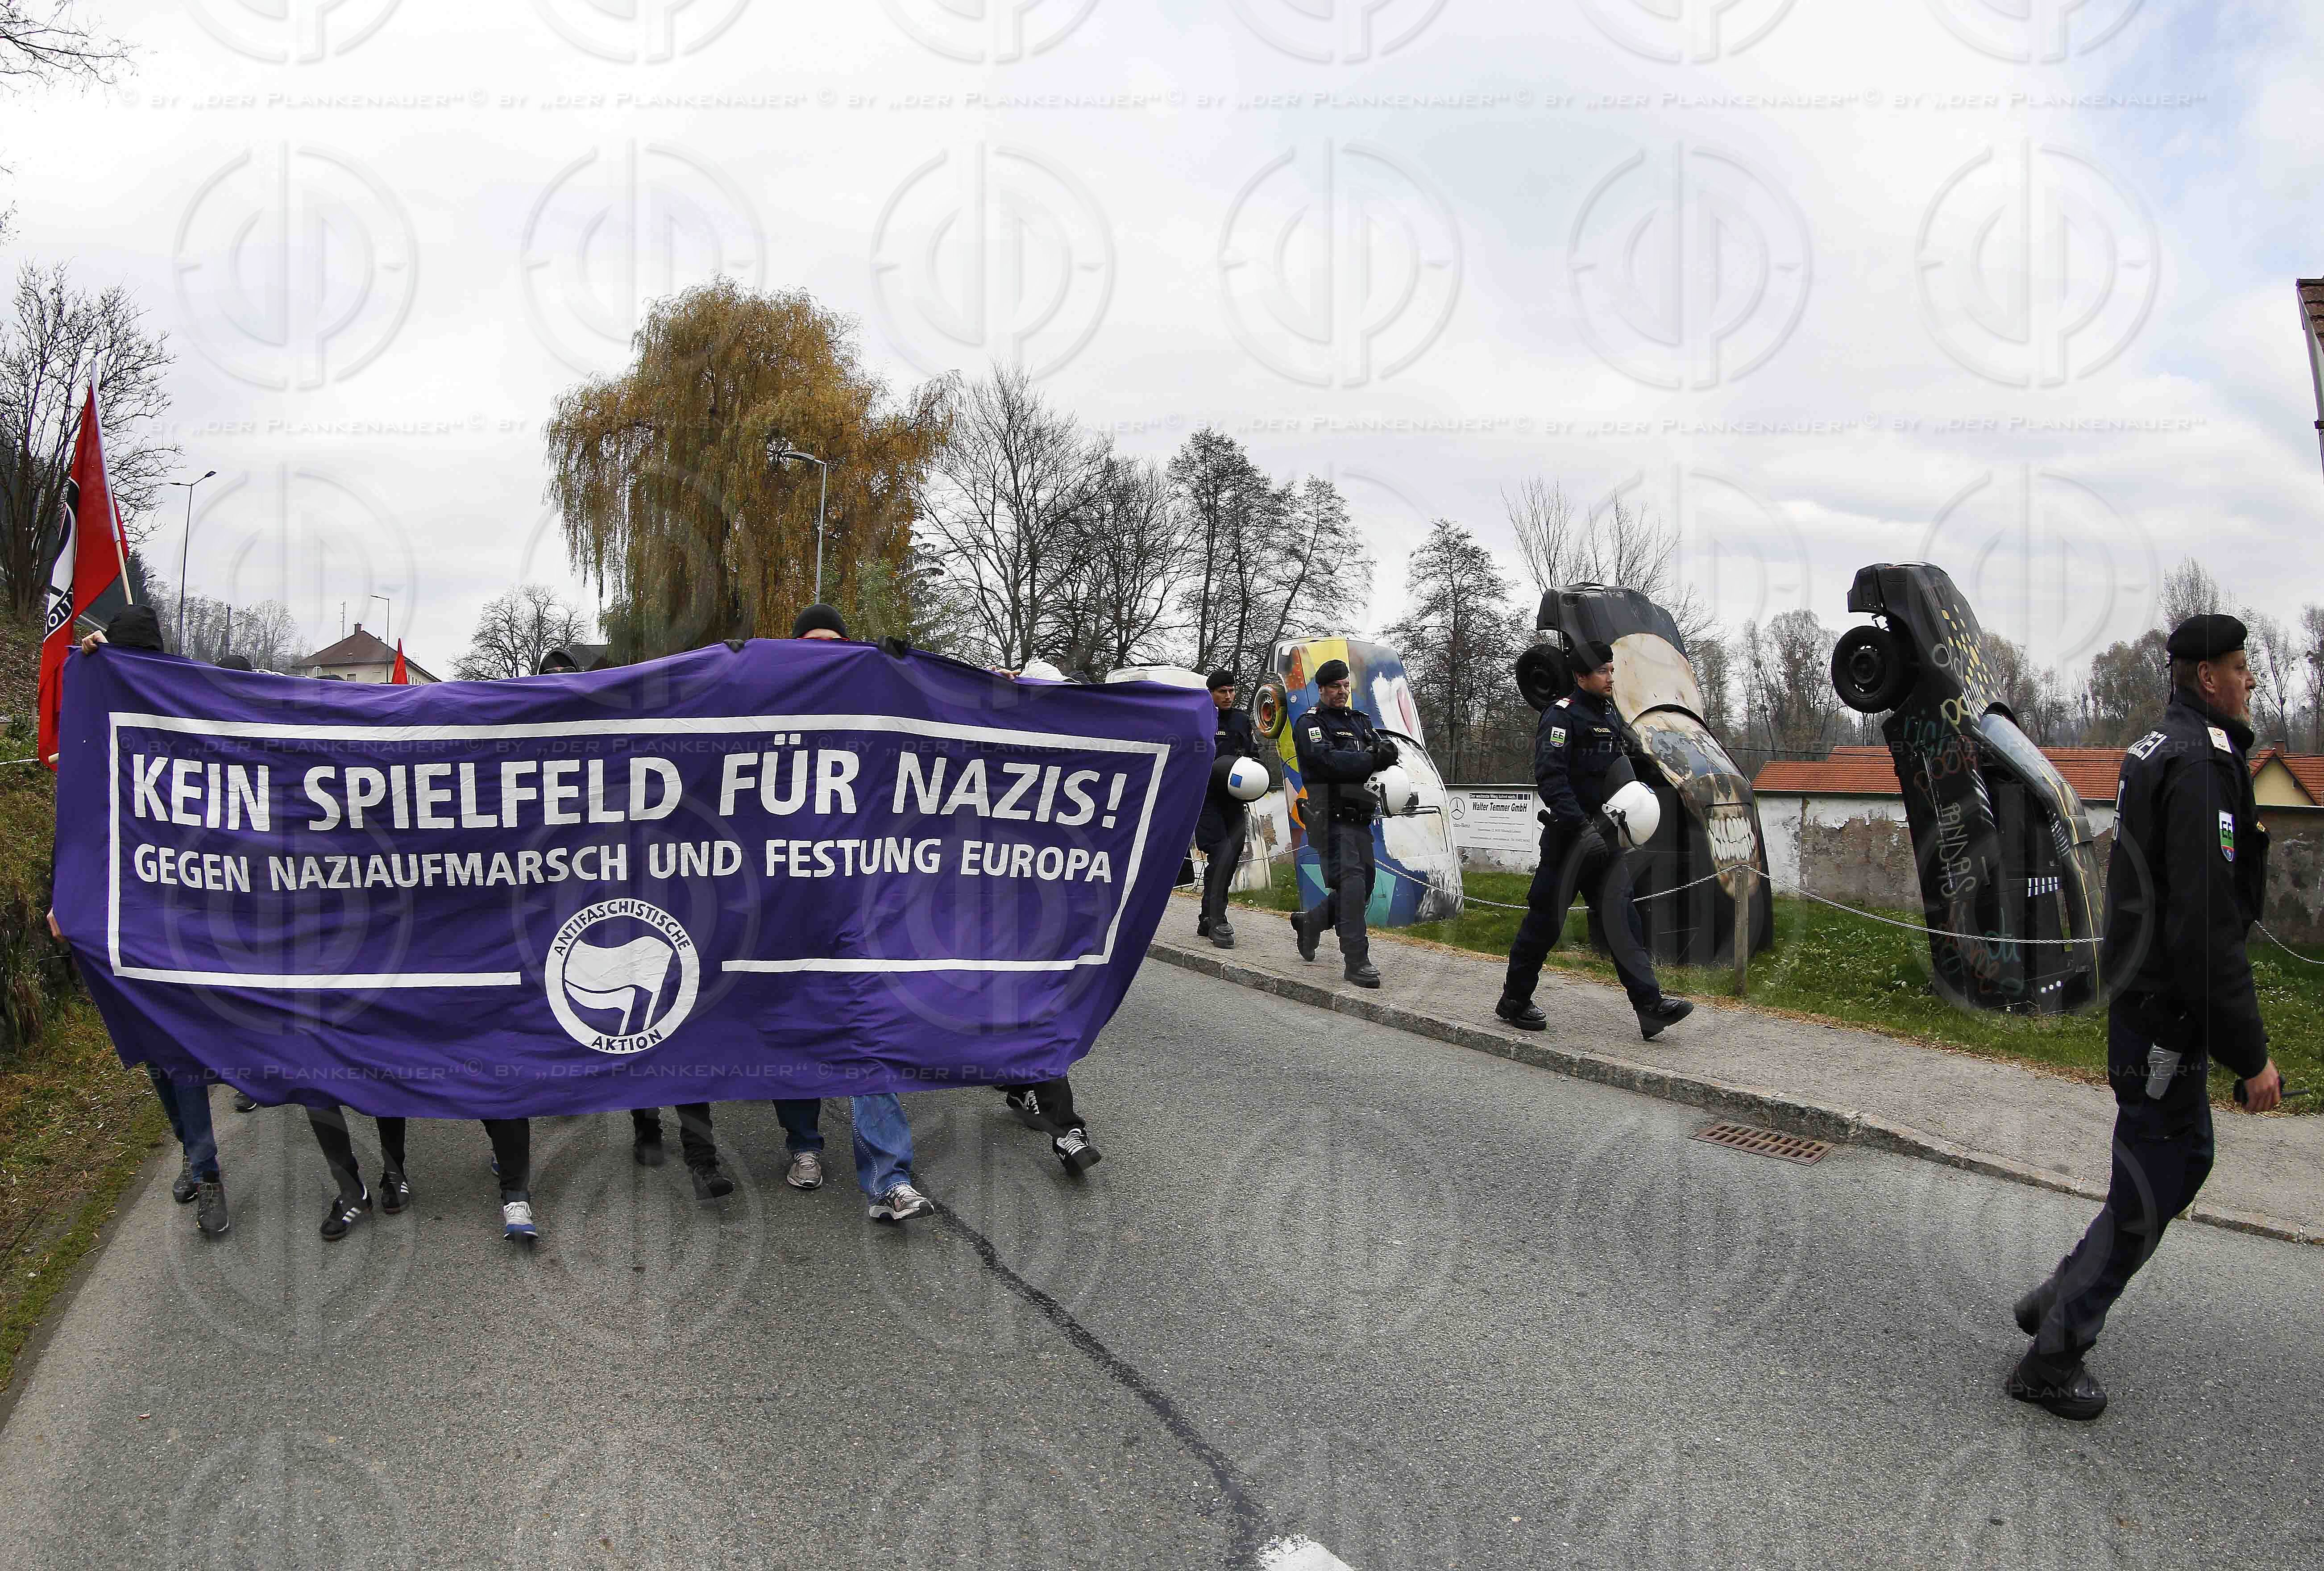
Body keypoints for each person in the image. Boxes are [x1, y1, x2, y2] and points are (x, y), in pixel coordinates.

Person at [2007, 613, 2283, 1421]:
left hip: (2150, 1003)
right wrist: (2252, 1057)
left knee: (2180, 1160)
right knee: (2155, 1179)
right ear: (2208, 678)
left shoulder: (2158, 747)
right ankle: (2051, 1357)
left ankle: (2054, 1300)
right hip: (2165, 1014)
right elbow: (2204, 930)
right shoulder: (2197, 764)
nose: (2249, 681)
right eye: (2240, 668)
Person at [53, 607, 232, 1237]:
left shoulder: (189, 704)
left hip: (189, 913)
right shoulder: (106, 718)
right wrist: (63, 897)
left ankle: (207, 1172)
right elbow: (79, 812)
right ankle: (190, 1149)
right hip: (128, 911)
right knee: (155, 1055)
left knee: (179, 1051)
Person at [776, 604, 935, 1222]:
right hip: (787, 912)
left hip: (862, 913)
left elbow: (947, 726)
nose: (825, 653)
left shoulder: (877, 713)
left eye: (836, 643)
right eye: (811, 643)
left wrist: (1005, 696)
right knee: (796, 1038)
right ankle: (804, 1145)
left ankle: (889, 1178)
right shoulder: (769, 710)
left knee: (870, 1040)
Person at [1495, 641, 1693, 1042]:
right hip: (1570, 841)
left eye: (1612, 670)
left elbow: (1620, 773)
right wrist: (1580, 827)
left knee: (1624, 920)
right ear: (1581, 676)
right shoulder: (1561, 715)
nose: (1610, 677)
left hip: (1608, 840)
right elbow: (1551, 779)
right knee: (1545, 924)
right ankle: (1514, 1000)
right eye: (1603, 671)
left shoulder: (1610, 715)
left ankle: (1649, 1007)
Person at [1287, 659, 1391, 988]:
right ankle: (1357, 962)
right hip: (1330, 818)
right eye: (1335, 687)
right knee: (1351, 887)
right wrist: (1372, 758)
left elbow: (1382, 753)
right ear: (1321, 689)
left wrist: (1383, 753)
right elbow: (1328, 762)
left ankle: (1310, 923)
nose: (1342, 692)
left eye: (1346, 686)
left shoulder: (1360, 721)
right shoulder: (1311, 723)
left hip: (1360, 818)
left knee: (1364, 889)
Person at [1195, 669, 1263, 951]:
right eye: (1222, 692)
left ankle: (1206, 916)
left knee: (1231, 856)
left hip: (1234, 797)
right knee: (1220, 852)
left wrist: (1254, 768)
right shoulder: (1199, 717)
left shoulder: (1241, 720)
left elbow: (1253, 753)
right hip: (1205, 798)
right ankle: (1217, 919)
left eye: (1232, 691)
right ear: (1211, 693)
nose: (1228, 696)